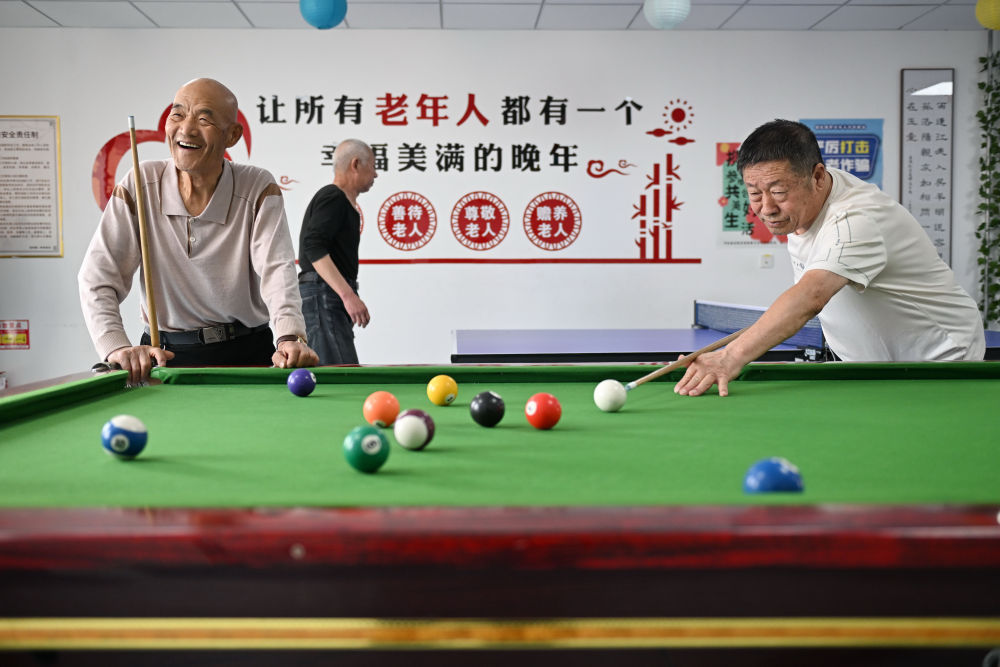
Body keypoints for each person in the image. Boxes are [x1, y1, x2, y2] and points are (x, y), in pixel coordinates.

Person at [675, 119, 985, 398]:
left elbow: (811, 295)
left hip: (938, 361)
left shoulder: (855, 219)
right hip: (870, 369)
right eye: (755, 193)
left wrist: (730, 357)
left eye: (778, 192)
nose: (766, 208)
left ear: (818, 177)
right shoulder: (804, 203)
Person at [79, 77, 318, 386]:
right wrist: (116, 347)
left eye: (204, 119)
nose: (186, 129)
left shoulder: (258, 187)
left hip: (247, 351)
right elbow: (97, 278)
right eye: (177, 114)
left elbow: (277, 271)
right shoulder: (140, 183)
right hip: (164, 357)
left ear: (232, 135)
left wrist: (290, 336)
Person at [297, 139, 377, 365]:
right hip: (323, 297)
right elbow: (313, 246)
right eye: (372, 166)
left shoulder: (340, 202)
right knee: (341, 373)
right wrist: (348, 295)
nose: (375, 174)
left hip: (327, 298)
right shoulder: (333, 197)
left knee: (340, 370)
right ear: (355, 164)